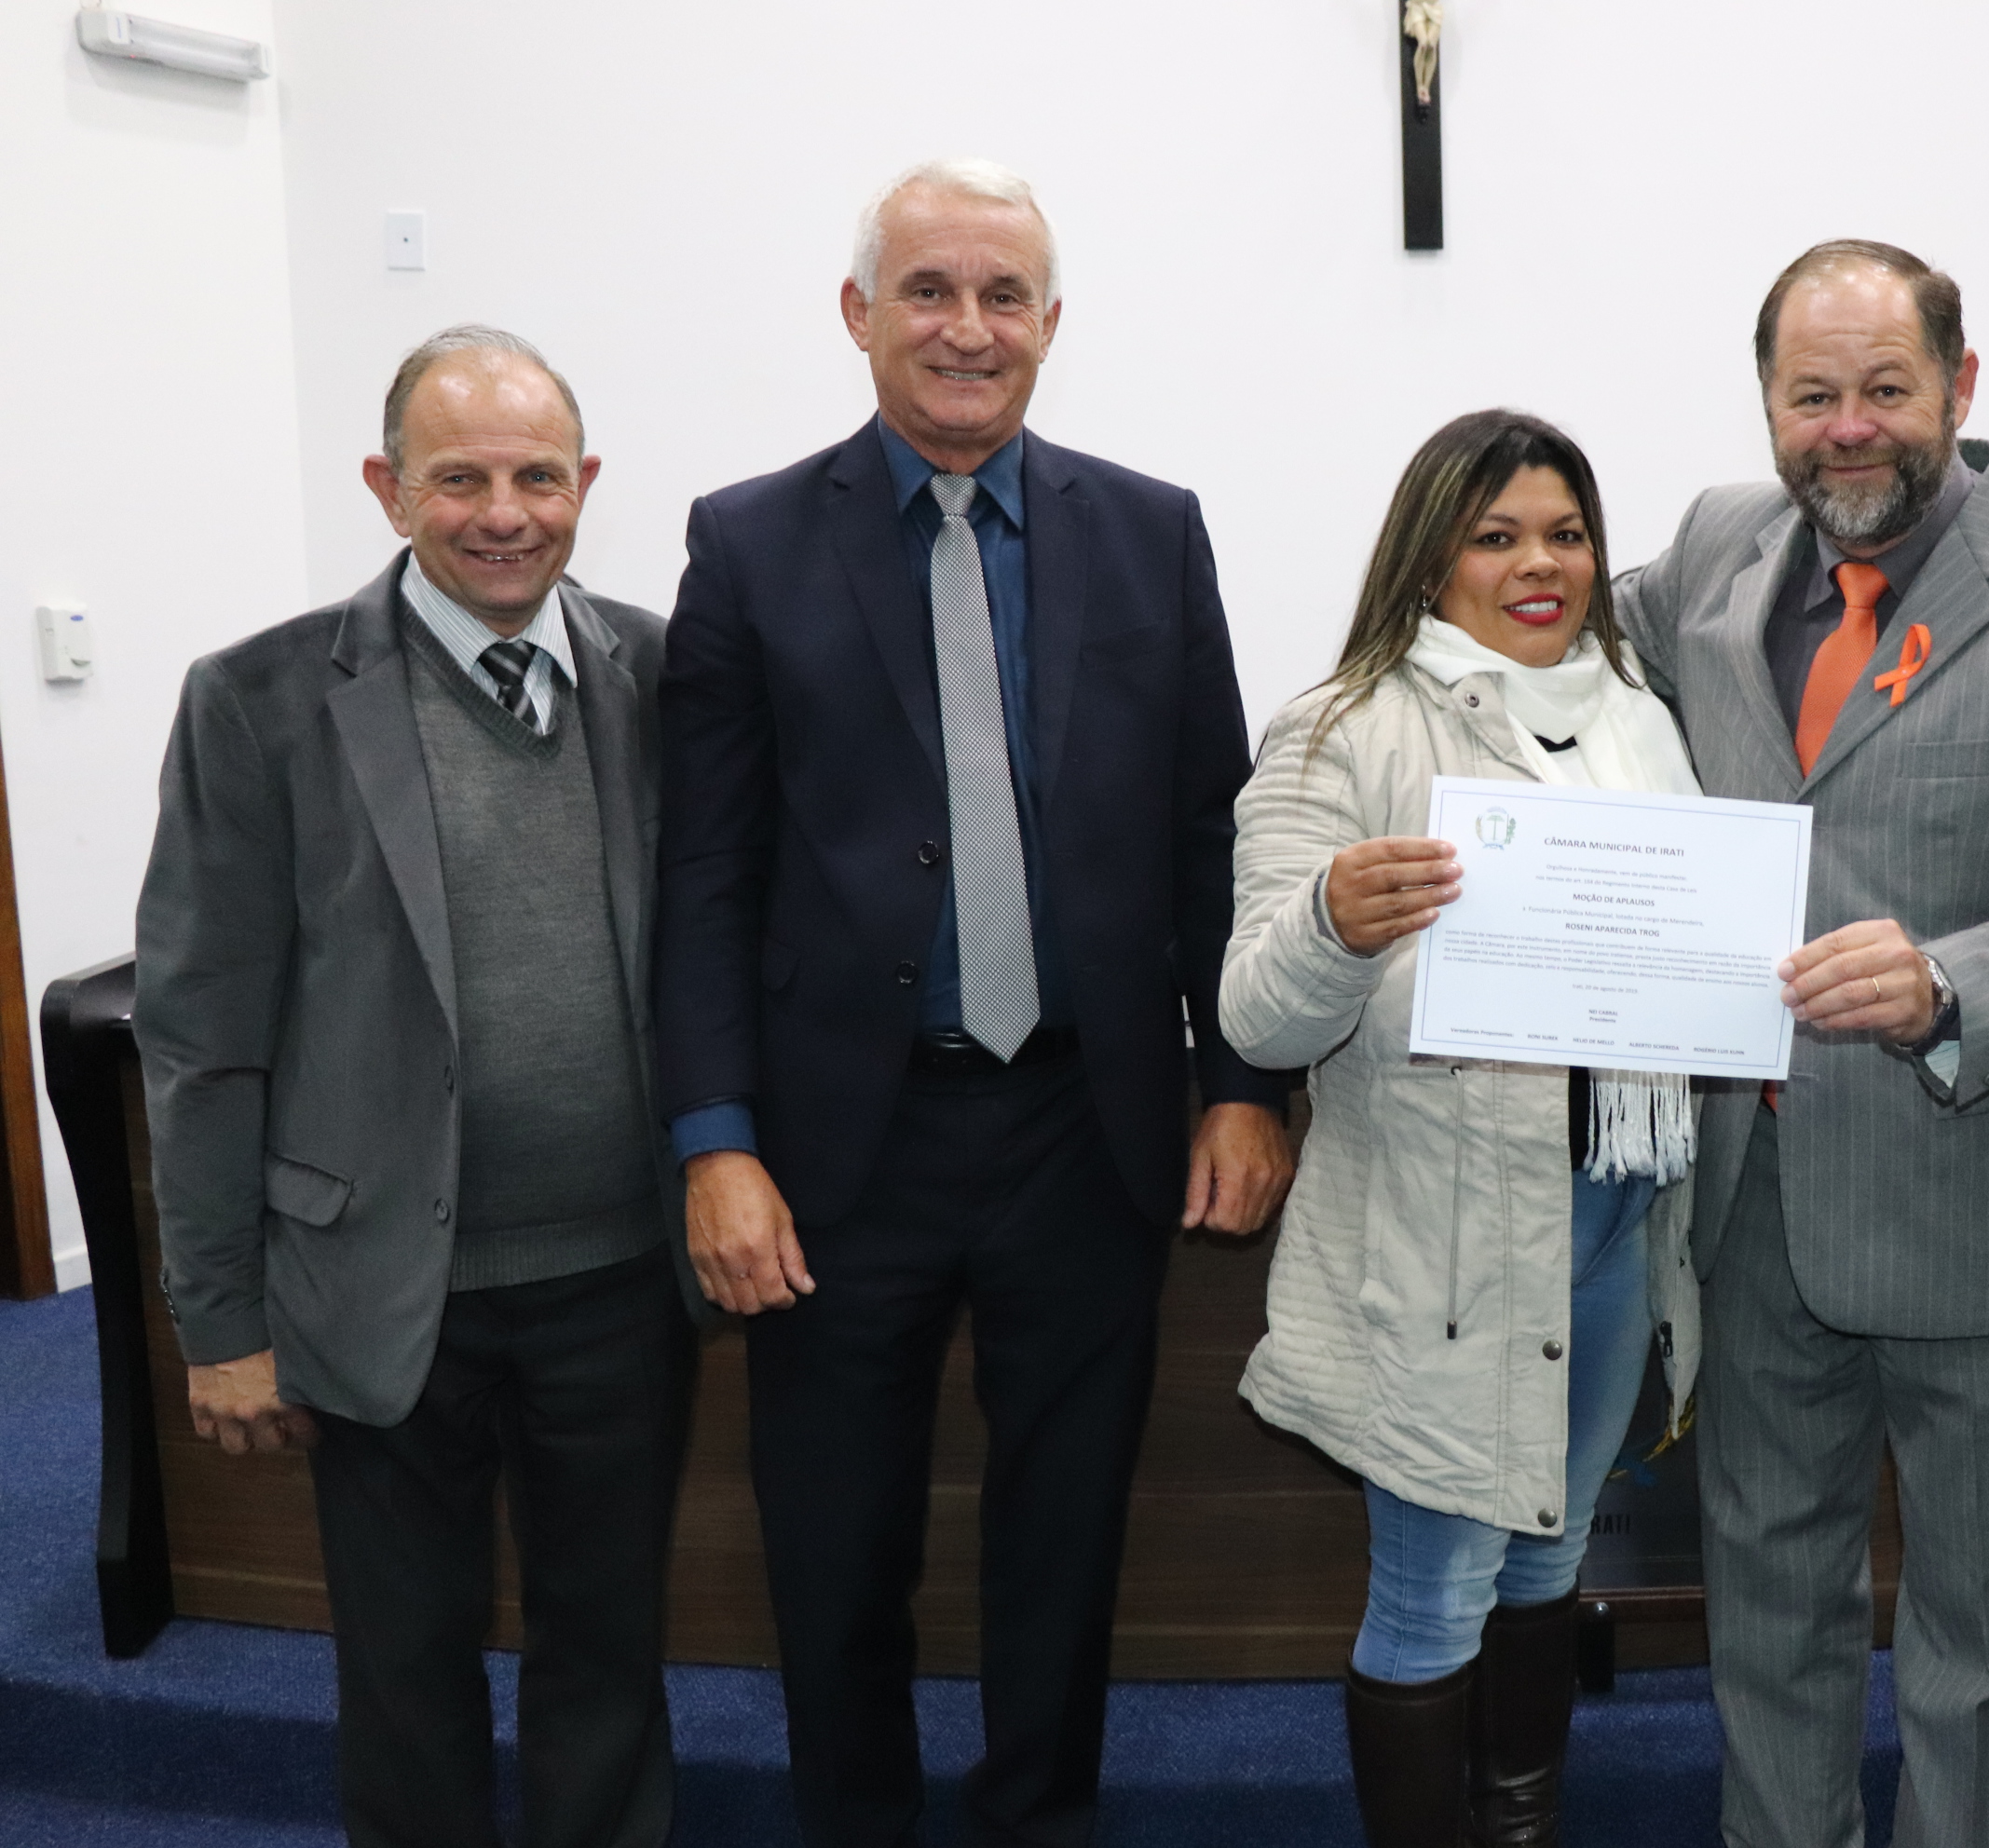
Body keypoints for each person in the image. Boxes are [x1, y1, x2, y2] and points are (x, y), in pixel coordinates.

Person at [655, 156, 1295, 1848]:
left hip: (1085, 1127)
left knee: (1064, 1536)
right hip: (834, 1147)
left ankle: (1038, 1820)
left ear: (1052, 326)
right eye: (929, 290)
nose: (967, 326)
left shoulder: (1150, 531)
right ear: (859, 316)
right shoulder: (747, 541)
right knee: (835, 1541)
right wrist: (713, 1141)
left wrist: (1241, 1082)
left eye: (1004, 295)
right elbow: (703, 876)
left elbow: (1205, 834)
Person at [1614, 240, 1989, 1848]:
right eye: (1812, 395)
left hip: (1973, 1190)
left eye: (1886, 387)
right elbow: (1541, 648)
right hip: (1748, 1203)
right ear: (1768, 405)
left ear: (1960, 382)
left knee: (1982, 1641)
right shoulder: (1716, 550)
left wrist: (1947, 980)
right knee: (1767, 1613)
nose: (1848, 428)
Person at [134, 326, 693, 1848]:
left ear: (587, 486)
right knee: (405, 1670)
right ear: (389, 489)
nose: (503, 511)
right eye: (460, 478)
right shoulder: (259, 701)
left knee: (609, 1660)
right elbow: (201, 1036)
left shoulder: (662, 671)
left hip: (620, 1282)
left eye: (536, 475)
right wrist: (224, 1321)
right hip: (381, 1284)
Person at [1223, 409, 1705, 1847]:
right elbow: (1259, 1019)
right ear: (1428, 556)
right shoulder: (1338, 729)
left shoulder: (1640, 714)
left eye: (1565, 533)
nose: (1537, 564)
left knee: (1545, 1565)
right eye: (1494, 536)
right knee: (1431, 1593)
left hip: (1615, 1217)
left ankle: (1520, 1826)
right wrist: (1330, 925)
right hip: (1442, 1248)